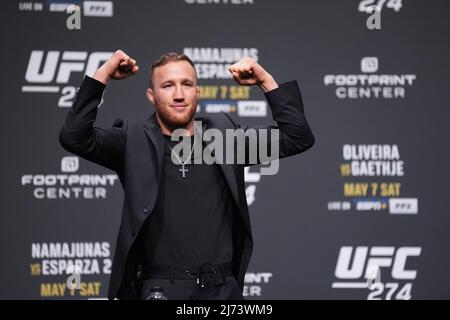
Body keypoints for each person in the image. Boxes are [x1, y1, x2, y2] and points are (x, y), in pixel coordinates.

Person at [59, 49, 315, 300]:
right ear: (151, 95)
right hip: (160, 288)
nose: (179, 94)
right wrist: (102, 75)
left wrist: (265, 81)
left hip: (223, 290)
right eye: (168, 85)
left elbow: (297, 137)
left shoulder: (225, 139)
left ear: (198, 92)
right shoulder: (132, 140)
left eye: (187, 84)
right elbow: (74, 137)